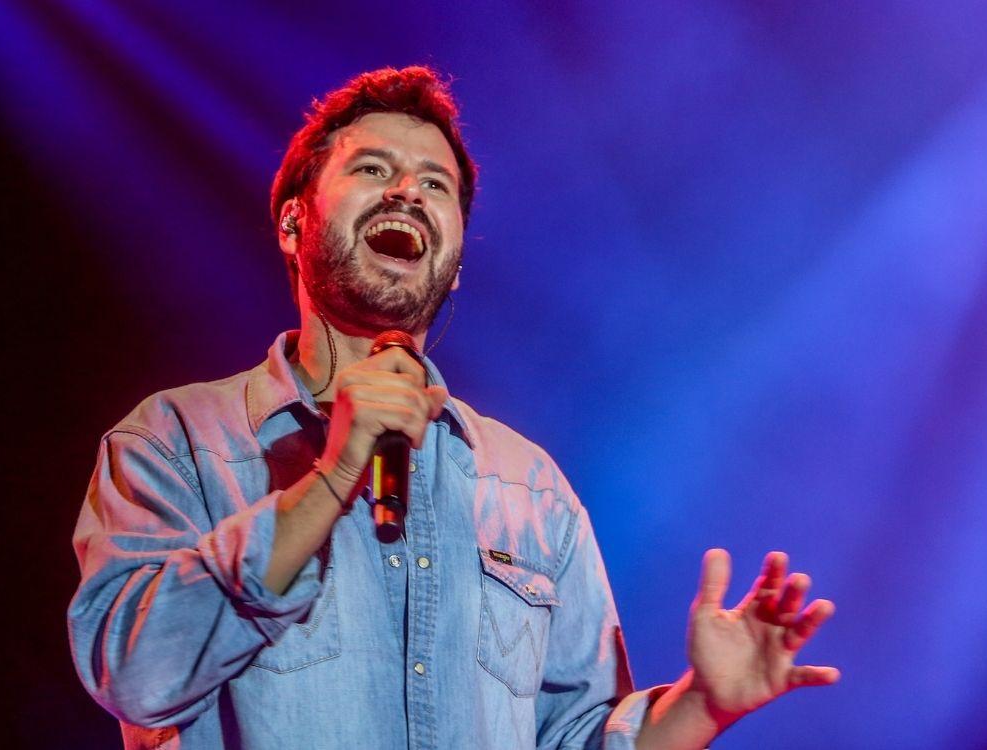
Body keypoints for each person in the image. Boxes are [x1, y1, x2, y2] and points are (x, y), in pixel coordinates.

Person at [67, 66, 838, 750]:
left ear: (456, 262)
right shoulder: (177, 442)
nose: (406, 190)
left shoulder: (529, 488)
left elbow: (576, 738)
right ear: (294, 222)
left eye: (435, 184)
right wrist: (336, 474)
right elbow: (136, 674)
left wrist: (701, 708)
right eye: (373, 168)